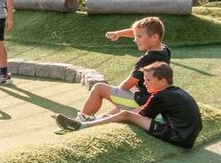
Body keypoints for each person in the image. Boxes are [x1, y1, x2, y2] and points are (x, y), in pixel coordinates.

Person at [55, 62, 201, 148]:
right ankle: (91, 120)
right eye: (144, 79)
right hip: (188, 136)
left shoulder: (160, 96)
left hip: (178, 137)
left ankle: (83, 125)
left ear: (163, 81)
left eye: (148, 80)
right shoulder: (175, 91)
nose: (144, 83)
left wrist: (111, 116)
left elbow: (136, 116)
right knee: (124, 113)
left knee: (126, 114)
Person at [67, 16, 171, 123]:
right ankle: (90, 121)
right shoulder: (164, 50)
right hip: (150, 99)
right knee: (108, 115)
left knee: (99, 88)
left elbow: (126, 85)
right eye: (135, 36)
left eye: (139, 37)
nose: (135, 39)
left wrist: (115, 94)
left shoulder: (146, 60)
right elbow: (142, 32)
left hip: (141, 102)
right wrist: (119, 34)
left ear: (154, 37)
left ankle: (81, 119)